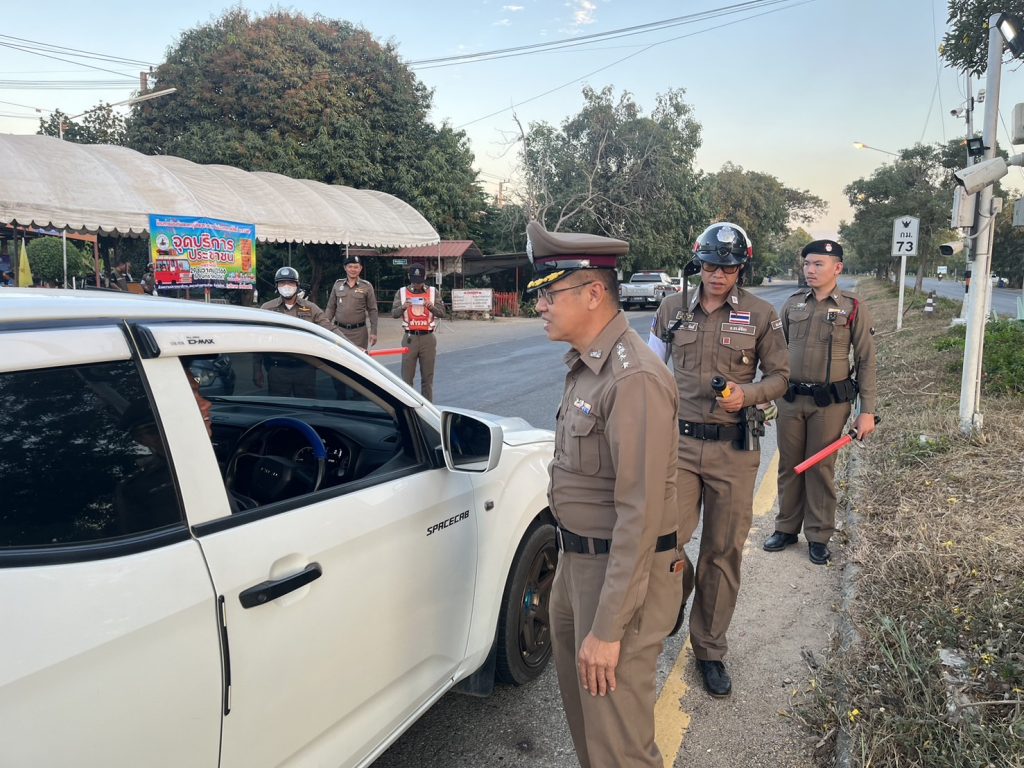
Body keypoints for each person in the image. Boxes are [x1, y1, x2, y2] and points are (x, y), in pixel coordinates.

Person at [528, 220, 685, 768]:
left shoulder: (631, 377)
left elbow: (639, 516)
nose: (540, 306)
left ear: (593, 293)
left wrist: (610, 626)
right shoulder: (588, 365)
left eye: (550, 294)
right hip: (578, 564)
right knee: (590, 731)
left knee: (619, 745)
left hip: (618, 576)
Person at [648, 222, 789, 698]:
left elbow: (780, 377)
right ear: (698, 263)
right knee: (664, 540)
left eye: (727, 268)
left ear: (740, 269)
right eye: (709, 265)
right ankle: (678, 594)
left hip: (733, 449)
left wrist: (747, 395)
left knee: (722, 551)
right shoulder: (672, 310)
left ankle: (709, 648)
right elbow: (649, 369)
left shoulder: (761, 314)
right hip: (680, 446)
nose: (717, 275)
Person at [765, 240, 877, 565]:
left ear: (837, 268)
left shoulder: (852, 307)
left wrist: (867, 411)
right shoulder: (792, 304)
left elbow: (866, 360)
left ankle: (818, 535)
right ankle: (786, 528)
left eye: (818, 264)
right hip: (790, 400)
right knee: (789, 465)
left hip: (829, 404)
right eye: (807, 264)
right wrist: (765, 395)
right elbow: (775, 354)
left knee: (819, 467)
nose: (810, 270)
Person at [256, 266, 333, 396]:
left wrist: (352, 347)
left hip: (305, 368)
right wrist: (257, 369)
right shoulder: (267, 308)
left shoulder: (310, 308)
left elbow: (330, 329)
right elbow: (257, 340)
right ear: (277, 286)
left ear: (297, 285)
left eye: (290, 283)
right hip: (277, 369)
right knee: (279, 405)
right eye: (282, 283)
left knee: (307, 405)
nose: (286, 286)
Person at [391, 263, 445, 401]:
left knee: (427, 377)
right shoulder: (402, 292)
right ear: (409, 277)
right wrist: (403, 307)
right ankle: (408, 406)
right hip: (410, 337)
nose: (417, 284)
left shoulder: (433, 292)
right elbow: (394, 314)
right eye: (414, 281)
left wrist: (431, 307)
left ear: (425, 277)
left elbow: (442, 313)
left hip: (428, 338)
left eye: (419, 281)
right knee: (407, 378)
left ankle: (427, 406)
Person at [326, 254, 379, 350]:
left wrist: (373, 332)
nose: (353, 269)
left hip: (359, 334)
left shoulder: (366, 286)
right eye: (350, 266)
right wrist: (325, 326)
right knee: (338, 357)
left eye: (356, 267)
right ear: (345, 268)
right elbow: (331, 307)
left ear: (360, 268)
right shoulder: (338, 284)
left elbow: (373, 310)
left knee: (358, 358)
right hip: (339, 331)